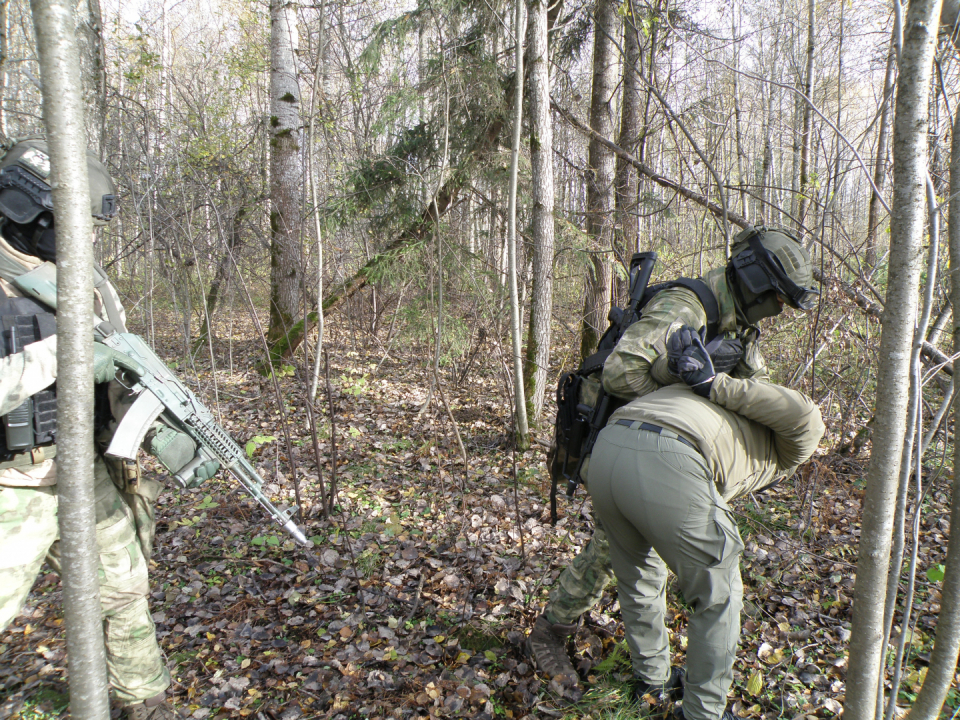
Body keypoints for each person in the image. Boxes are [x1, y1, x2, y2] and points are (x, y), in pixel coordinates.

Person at [529, 226, 819, 690]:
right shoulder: (686, 306)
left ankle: (648, 663)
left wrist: (710, 381)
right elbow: (621, 374)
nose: (780, 310)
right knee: (614, 550)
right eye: (778, 298)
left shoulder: (740, 322)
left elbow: (751, 390)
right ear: (756, 281)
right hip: (617, 436)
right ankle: (549, 634)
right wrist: (681, 373)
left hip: (669, 450)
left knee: (634, 553)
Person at [0, 139, 219, 720]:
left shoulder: (84, 281)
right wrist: (59, 358)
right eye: (69, 224)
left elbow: (114, 362)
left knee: (124, 590)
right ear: (29, 211)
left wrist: (157, 416)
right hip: (9, 486)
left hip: (84, 470)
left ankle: (142, 702)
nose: (84, 239)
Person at [586, 328, 824, 720]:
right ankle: (703, 713)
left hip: (609, 448)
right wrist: (715, 384)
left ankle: (653, 682)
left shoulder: (694, 396)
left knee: (640, 576)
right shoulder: (793, 441)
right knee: (718, 593)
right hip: (669, 453)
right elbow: (805, 414)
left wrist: (707, 383)